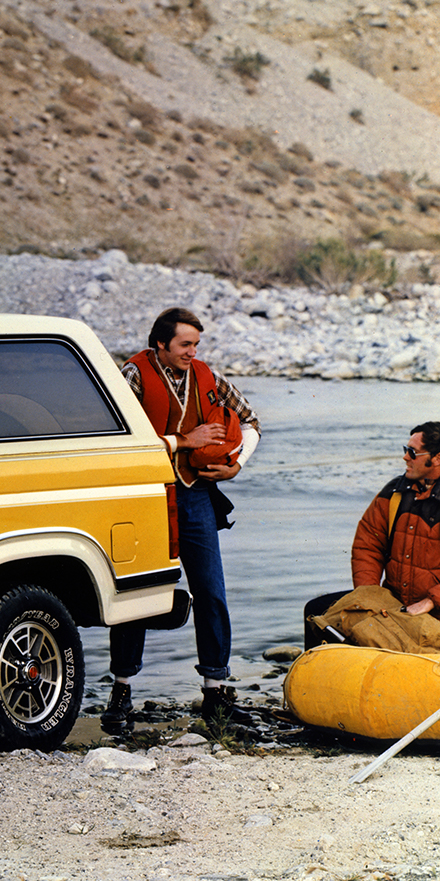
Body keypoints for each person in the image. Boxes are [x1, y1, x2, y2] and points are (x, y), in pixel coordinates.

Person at [102, 307, 262, 731]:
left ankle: (215, 692)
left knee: (211, 591)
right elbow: (113, 439)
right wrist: (181, 441)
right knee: (137, 595)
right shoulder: (132, 376)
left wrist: (236, 465)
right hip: (147, 497)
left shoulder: (207, 376)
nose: (193, 352)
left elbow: (251, 421)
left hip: (195, 496)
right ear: (160, 344)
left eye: (196, 344)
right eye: (184, 345)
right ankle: (120, 691)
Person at [303, 422, 440, 654]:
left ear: (437, 458)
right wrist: (370, 597)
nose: (405, 457)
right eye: (405, 449)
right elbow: (368, 546)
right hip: (392, 610)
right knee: (315, 612)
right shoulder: (393, 493)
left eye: (412, 452)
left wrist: (430, 602)